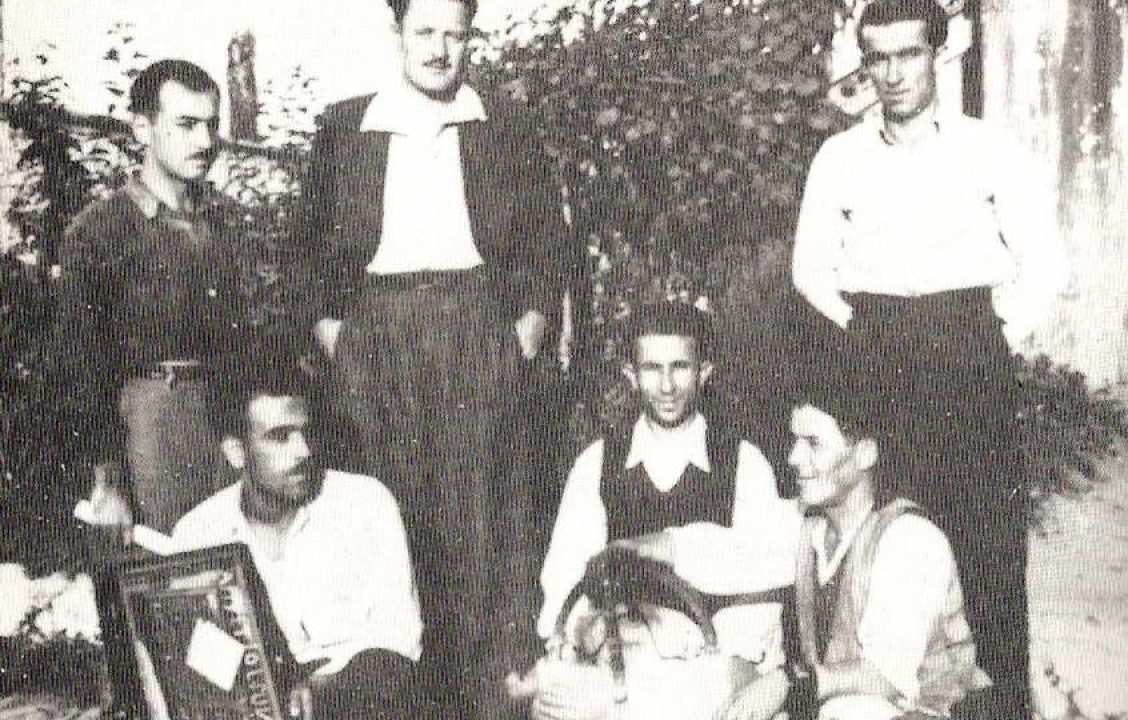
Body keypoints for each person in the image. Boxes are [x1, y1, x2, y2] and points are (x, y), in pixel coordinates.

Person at [789, 0, 1068, 714]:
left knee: (987, 551)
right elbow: (810, 269)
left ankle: (1000, 707)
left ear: (938, 55)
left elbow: (1042, 262)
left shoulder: (988, 149)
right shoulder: (841, 158)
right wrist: (865, 332)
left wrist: (989, 336)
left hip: (967, 353)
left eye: (908, 54)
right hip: (878, 354)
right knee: (887, 541)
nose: (893, 73)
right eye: (878, 58)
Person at [293, 0, 570, 713]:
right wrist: (335, 336)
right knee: (388, 517)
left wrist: (527, 329)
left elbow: (548, 242)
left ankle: (484, 701)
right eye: (425, 31)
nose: (440, 48)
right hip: (377, 335)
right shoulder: (346, 128)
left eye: (455, 33)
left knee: (482, 523)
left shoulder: (502, 126)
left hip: (474, 326)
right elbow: (307, 250)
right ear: (397, 33)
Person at [531, 303, 792, 720]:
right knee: (555, 696)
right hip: (619, 660)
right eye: (652, 369)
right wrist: (590, 630)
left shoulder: (743, 462)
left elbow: (766, 581)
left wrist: (696, 650)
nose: (667, 386)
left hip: (710, 668)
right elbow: (563, 582)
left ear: (704, 371)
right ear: (631, 375)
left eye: (680, 367)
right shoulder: (597, 464)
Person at [717, 347, 990, 720]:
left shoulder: (910, 540)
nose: (793, 457)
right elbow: (719, 551)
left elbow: (886, 676)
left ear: (864, 454)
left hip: (938, 712)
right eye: (795, 441)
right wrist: (651, 547)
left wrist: (787, 681)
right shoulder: (808, 528)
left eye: (813, 443)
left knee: (850, 709)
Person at [171, 350, 425, 720]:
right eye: (280, 437)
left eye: (306, 433)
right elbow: (201, 667)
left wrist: (322, 692)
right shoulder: (197, 534)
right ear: (236, 452)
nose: (303, 451)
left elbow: (398, 643)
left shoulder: (364, 503)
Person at [54, 59, 243, 534]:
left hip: (222, 429)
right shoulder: (99, 231)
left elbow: (238, 347)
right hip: (148, 432)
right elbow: (80, 365)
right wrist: (106, 481)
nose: (205, 141)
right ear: (142, 128)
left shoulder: (220, 226)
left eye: (211, 124)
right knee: (169, 565)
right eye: (186, 124)